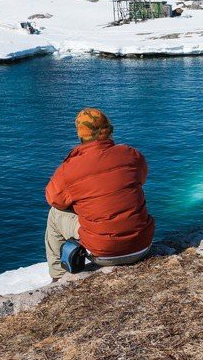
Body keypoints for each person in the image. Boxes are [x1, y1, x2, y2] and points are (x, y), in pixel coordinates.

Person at [44, 108, 155, 280]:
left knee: (55, 214)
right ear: (109, 131)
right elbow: (142, 178)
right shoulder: (131, 154)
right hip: (142, 246)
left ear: (80, 135)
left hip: (103, 254)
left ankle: (59, 277)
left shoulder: (69, 168)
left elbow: (54, 199)